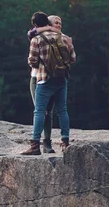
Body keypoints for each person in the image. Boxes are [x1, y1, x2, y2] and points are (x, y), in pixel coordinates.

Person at [22, 12, 76, 155]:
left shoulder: (37, 39)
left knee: (40, 111)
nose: (58, 25)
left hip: (43, 79)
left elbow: (32, 61)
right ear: (48, 24)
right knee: (62, 111)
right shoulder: (64, 39)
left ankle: (36, 145)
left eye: (60, 23)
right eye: (56, 23)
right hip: (61, 79)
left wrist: (43, 65)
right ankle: (64, 143)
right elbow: (72, 59)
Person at [27, 17, 58, 153]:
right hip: (45, 78)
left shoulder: (56, 37)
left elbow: (32, 61)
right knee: (45, 112)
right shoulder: (38, 36)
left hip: (42, 78)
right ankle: (45, 144)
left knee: (44, 112)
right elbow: (31, 33)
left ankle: (43, 143)